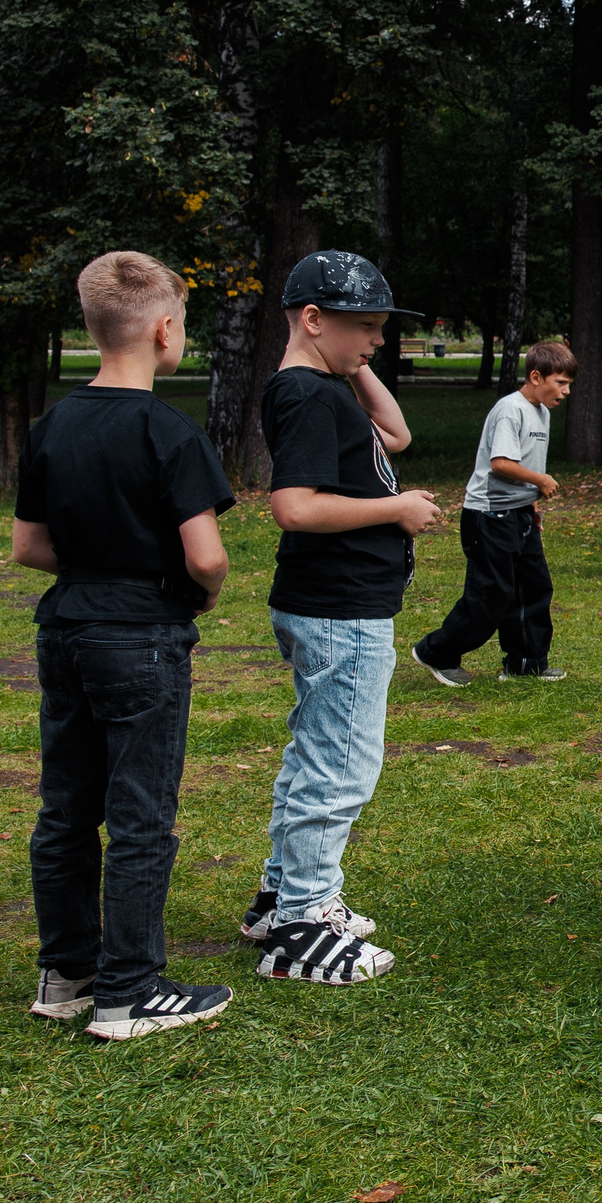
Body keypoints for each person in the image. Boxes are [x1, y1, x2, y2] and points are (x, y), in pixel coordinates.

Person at [11, 251, 236, 1041]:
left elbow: (28, 546)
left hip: (65, 628)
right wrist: (200, 590)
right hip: (141, 636)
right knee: (141, 813)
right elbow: (205, 554)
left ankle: (67, 970)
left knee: (66, 807)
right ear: (166, 329)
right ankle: (130, 989)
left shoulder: (53, 425)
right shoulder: (167, 431)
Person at [243, 251, 439, 986]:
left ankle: (280, 894)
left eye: (381, 329)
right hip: (340, 609)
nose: (377, 341)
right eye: (365, 327)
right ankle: (303, 922)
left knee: (313, 751)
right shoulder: (305, 395)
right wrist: (397, 508)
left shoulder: (323, 386)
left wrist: (351, 361)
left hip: (331, 604)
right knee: (340, 764)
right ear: (312, 319)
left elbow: (397, 436)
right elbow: (293, 506)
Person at [411, 340, 577, 688]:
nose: (566, 390)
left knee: (533, 587)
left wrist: (531, 505)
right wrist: (541, 481)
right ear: (535, 376)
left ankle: (526, 662)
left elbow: (526, 461)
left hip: (519, 515)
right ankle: (436, 652)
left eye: (568, 383)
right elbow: (501, 464)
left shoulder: (541, 412)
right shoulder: (510, 410)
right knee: (491, 594)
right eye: (560, 382)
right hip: (488, 516)